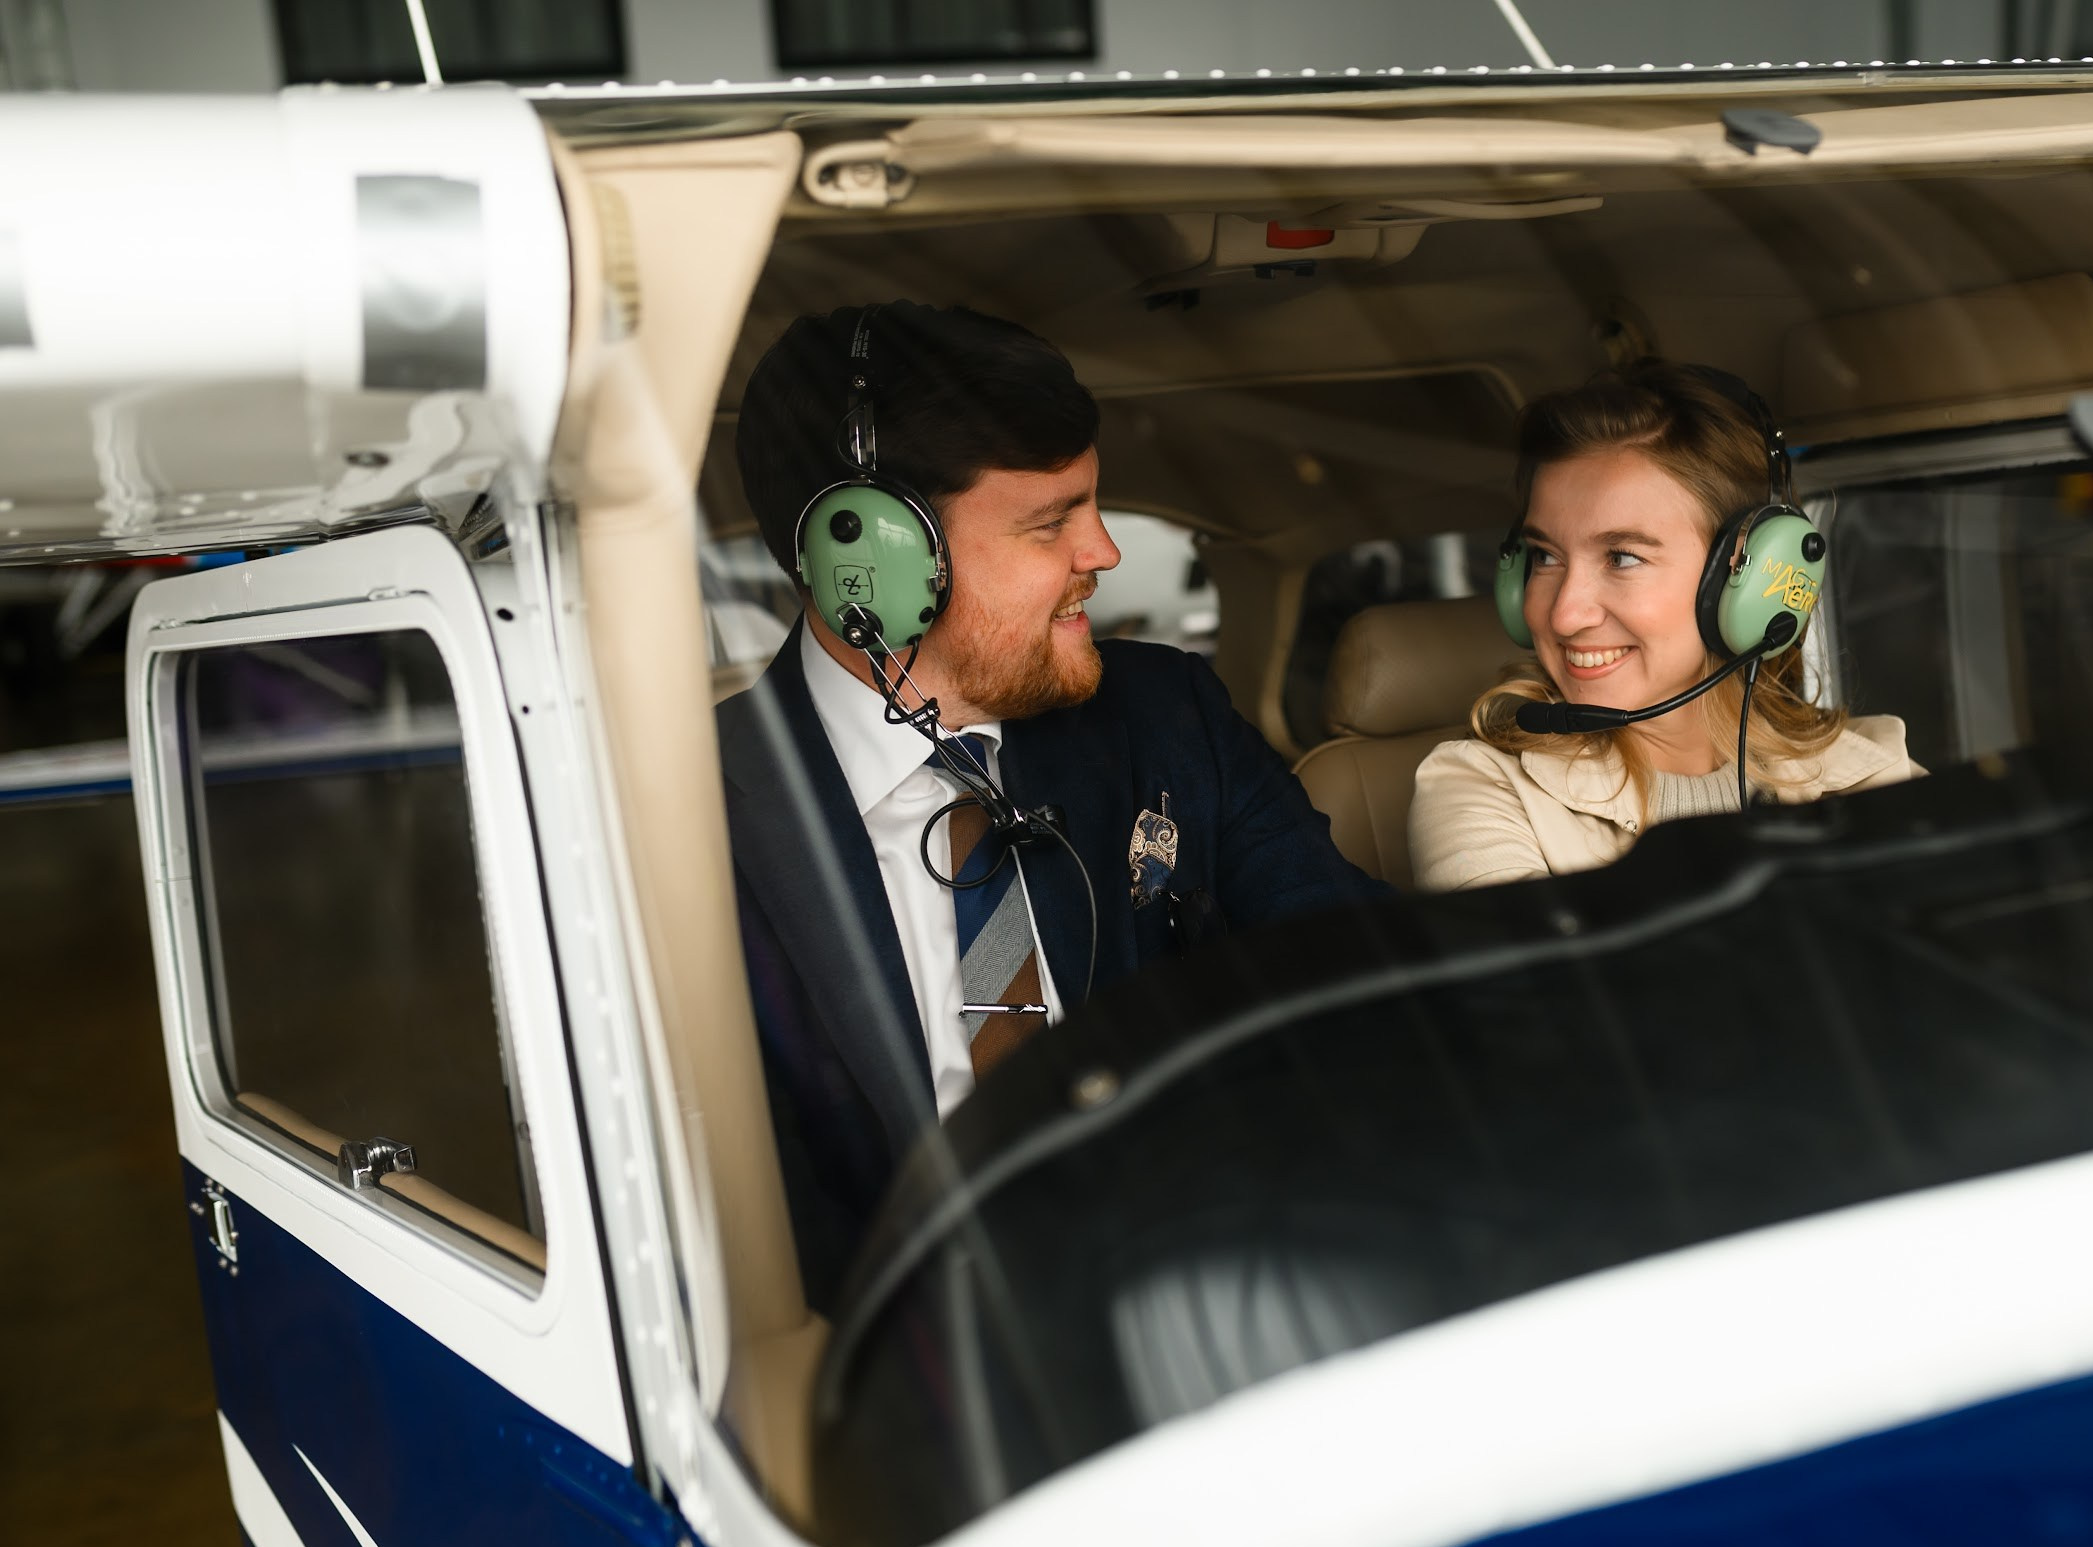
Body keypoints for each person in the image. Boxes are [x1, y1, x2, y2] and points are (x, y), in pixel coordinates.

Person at [717, 301, 1383, 1301]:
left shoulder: (1164, 715)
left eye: (1093, 505)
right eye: (1049, 524)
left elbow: (1359, 983)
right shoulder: (683, 822)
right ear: (870, 563)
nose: (1104, 552)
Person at [1409, 359, 1919, 892]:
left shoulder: (1871, 772)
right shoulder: (1482, 790)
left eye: (1622, 557)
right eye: (1544, 556)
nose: (1564, 615)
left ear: (1748, 576)